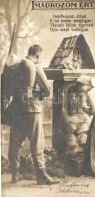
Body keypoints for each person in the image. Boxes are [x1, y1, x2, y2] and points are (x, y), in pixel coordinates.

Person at [3, 45, 59, 184]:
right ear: (38, 55)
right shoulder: (36, 67)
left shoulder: (15, 67)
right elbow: (47, 91)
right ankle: (41, 176)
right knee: (37, 143)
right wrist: (38, 91)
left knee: (15, 143)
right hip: (32, 109)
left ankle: (15, 174)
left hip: (16, 109)